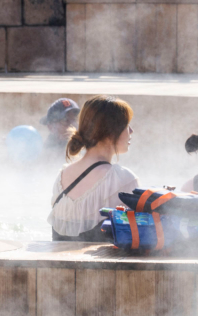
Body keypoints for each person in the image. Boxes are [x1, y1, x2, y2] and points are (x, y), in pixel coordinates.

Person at [48, 95, 137, 241]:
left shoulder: (62, 176)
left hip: (58, 262)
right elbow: (137, 238)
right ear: (111, 131)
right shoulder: (123, 179)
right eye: (127, 125)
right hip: (104, 263)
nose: (131, 131)